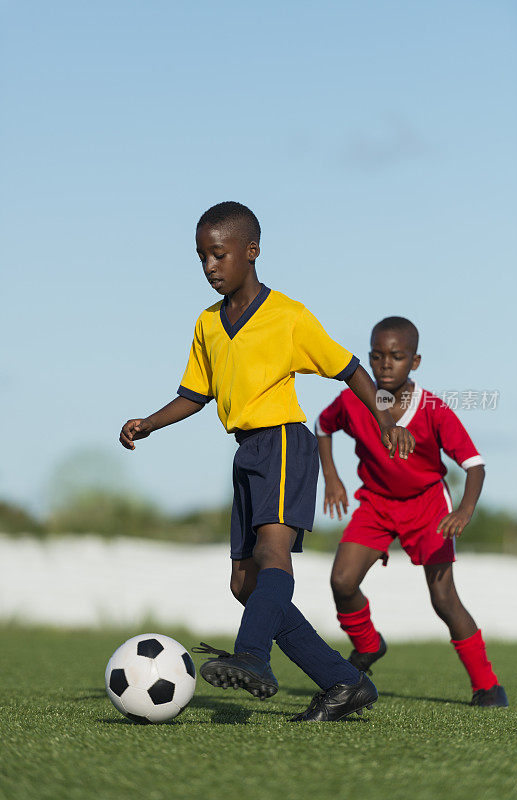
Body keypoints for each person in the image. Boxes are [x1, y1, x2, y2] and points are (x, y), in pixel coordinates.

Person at [119, 202, 415, 722]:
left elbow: (348, 368)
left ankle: (254, 655)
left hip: (283, 443)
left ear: (250, 251)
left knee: (273, 553)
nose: (210, 266)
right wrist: (148, 421)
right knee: (244, 583)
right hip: (246, 452)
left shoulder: (289, 316)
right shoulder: (207, 324)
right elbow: (196, 392)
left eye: (218, 254)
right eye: (201, 257)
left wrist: (386, 419)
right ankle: (345, 682)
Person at [316, 316, 508, 707]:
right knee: (342, 581)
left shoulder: (434, 410)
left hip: (427, 508)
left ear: (415, 362)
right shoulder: (354, 400)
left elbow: (474, 465)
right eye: (377, 355)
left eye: (397, 356)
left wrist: (466, 509)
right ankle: (369, 646)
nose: (385, 364)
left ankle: (488, 686)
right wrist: (332, 479)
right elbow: (322, 426)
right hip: (376, 504)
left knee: (443, 599)